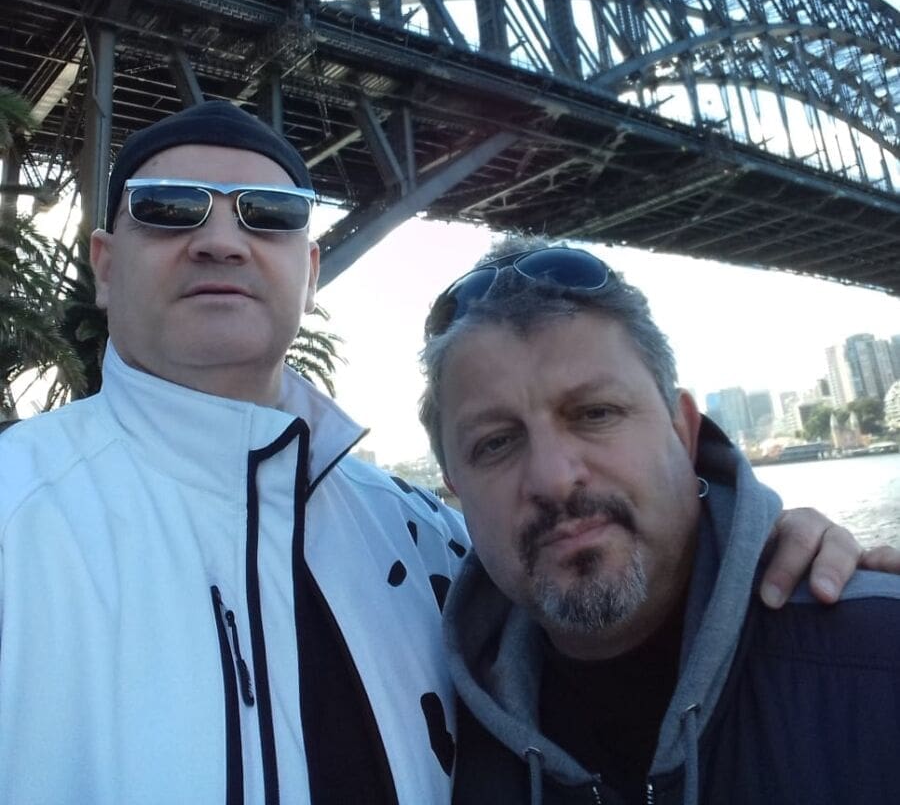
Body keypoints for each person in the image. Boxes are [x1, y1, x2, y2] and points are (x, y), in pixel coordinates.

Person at [0, 107, 890, 805]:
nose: (222, 239)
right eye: (168, 208)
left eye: (269, 216)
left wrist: (760, 547)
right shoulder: (16, 516)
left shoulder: (432, 541)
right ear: (104, 265)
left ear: (309, 271)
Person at [419, 239, 900, 805]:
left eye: (595, 413)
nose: (553, 478)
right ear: (457, 493)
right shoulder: (431, 740)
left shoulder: (879, 662)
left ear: (683, 432)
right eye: (496, 443)